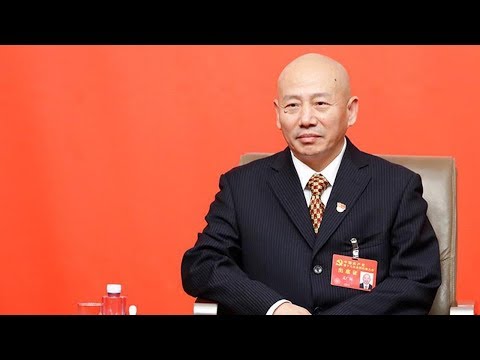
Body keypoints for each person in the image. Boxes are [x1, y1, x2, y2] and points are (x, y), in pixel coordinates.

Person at [181, 53, 441, 315]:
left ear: (350, 111)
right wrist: (274, 308)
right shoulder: (241, 186)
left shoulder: (396, 186)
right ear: (277, 114)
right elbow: (202, 264)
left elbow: (416, 279)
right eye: (292, 106)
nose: (306, 119)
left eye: (320, 103)